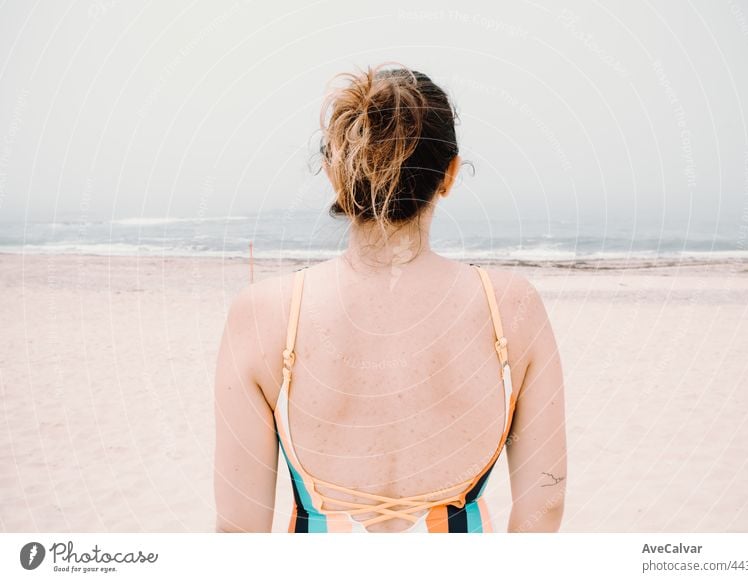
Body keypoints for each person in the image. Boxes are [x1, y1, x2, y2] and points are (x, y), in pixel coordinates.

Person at [214, 63, 566, 533]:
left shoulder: (262, 315)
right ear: (450, 174)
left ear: (335, 174)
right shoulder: (513, 308)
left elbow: (240, 531)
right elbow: (546, 505)